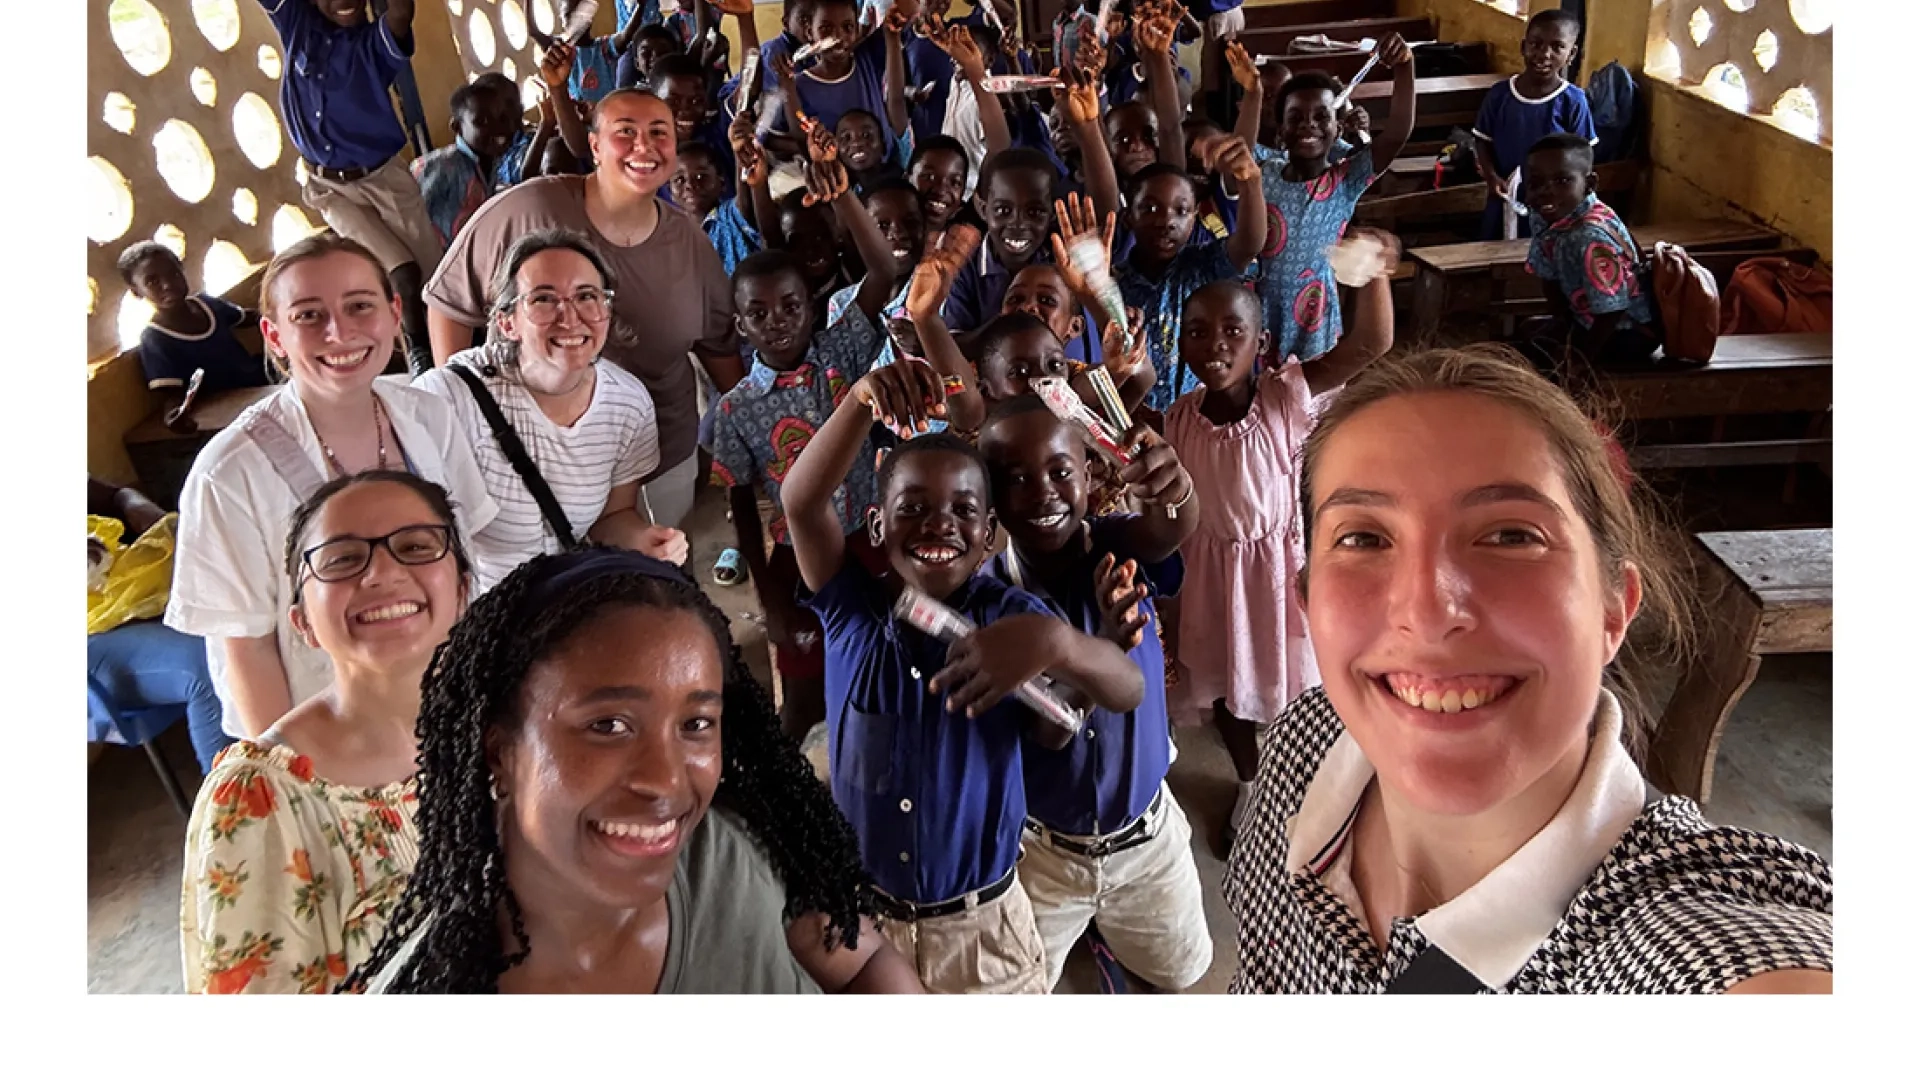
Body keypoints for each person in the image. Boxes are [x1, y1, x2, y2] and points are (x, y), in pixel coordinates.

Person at [1226, 346, 1834, 994]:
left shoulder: (1688, 949)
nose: (1429, 614)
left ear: (1613, 609)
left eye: (1511, 535)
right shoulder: (1305, 741)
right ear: (1307, 601)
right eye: (1364, 538)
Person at [340, 547, 926, 994]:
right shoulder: (433, 990)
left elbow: (862, 963)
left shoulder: (735, 854)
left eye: (696, 724)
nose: (668, 782)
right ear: (500, 750)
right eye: (608, 726)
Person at [779, 355, 1144, 994]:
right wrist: (861, 401)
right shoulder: (852, 616)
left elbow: (1124, 690)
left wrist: (1062, 644)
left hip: (986, 933)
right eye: (912, 508)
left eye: (963, 510)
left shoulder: (1016, 619)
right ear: (877, 524)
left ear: (989, 536)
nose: (938, 523)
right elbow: (801, 503)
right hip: (862, 926)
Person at [166, 234, 498, 739]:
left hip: (450, 705)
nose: (339, 332)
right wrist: (298, 780)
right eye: (307, 315)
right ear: (274, 336)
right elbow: (248, 648)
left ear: (392, 313)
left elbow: (466, 564)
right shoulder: (230, 474)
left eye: (359, 306)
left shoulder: (428, 414)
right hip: (329, 728)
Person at [180, 472, 472, 992]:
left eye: (415, 546)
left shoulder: (512, 733)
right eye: (341, 559)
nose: (382, 571)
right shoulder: (261, 801)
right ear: (303, 624)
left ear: (464, 592)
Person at [1164, 248, 1397, 853]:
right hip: (1211, 581)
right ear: (1180, 342)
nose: (1215, 345)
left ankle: (1320, 787)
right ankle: (1250, 784)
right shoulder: (1177, 419)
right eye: (1197, 331)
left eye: (1233, 331)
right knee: (1224, 689)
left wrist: (1372, 271)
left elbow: (1369, 344)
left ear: (1261, 342)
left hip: (1281, 575)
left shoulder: (1283, 398)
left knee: (1304, 687)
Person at [425, 89, 744, 531]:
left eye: (658, 133)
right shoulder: (529, 210)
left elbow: (718, 346)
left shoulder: (689, 241)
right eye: (624, 133)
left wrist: (757, 418)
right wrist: (465, 410)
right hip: (534, 460)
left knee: (660, 567)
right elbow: (449, 304)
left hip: (660, 452)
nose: (643, 147)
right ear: (594, 145)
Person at [978, 398, 1214, 993]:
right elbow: (1049, 730)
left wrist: (1176, 486)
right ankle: (1096, 939)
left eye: (1061, 470)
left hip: (1147, 835)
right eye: (1015, 478)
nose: (1043, 493)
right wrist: (1097, 648)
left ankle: (1109, 941)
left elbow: (1173, 525)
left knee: (1180, 973)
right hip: (1044, 853)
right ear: (989, 499)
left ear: (1090, 473)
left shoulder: (1119, 550)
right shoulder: (987, 607)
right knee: (1025, 989)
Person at [710, 157, 901, 740]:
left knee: (887, 661)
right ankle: (790, 797)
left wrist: (846, 198)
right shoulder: (736, 408)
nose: (777, 323)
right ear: (741, 326)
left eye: (791, 307)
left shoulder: (841, 351)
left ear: (814, 307)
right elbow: (741, 501)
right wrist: (769, 599)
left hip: (872, 536)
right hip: (797, 557)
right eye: (758, 314)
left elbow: (885, 271)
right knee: (801, 690)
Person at [414, 230, 689, 586]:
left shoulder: (627, 403)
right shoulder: (450, 397)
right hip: (476, 613)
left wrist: (646, 542)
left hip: (565, 602)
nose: (570, 317)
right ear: (507, 322)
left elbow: (613, 516)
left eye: (587, 296)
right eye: (544, 299)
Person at [256, 0, 443, 375]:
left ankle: (453, 353)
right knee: (402, 275)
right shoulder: (297, 24)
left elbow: (401, 15)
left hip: (384, 180)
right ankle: (421, 363)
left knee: (433, 281)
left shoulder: (375, 44)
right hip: (330, 188)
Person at [1255, 35, 1415, 367]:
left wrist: (1404, 67)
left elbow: (1397, 133)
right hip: (1262, 303)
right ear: (1281, 131)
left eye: (1320, 116)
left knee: (1313, 394)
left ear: (1337, 128)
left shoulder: (1345, 179)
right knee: (1263, 393)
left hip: (1314, 313)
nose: (1308, 124)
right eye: (1296, 117)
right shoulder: (1264, 172)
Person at [88, 476, 234, 773]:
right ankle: (229, 808)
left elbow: (115, 495)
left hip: (117, 605)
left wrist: (133, 503)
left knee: (244, 615)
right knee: (208, 662)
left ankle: (290, 772)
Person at [1110, 139, 1267, 412]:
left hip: (1199, 419)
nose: (1166, 221)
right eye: (1149, 208)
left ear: (1194, 217)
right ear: (1128, 217)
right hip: (1137, 419)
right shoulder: (1116, 282)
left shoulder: (1203, 265)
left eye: (1181, 211)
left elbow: (1248, 244)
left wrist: (1250, 184)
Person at [1521, 133, 1662, 373]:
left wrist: (1580, 357)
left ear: (1589, 184)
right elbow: (1549, 276)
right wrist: (1563, 326)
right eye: (1536, 183)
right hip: (1587, 316)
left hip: (1627, 330)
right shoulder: (1547, 216)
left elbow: (1613, 309)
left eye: (1562, 180)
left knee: (1548, 366)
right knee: (1530, 335)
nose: (1546, 191)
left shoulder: (1590, 237)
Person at [1472, 7, 1597, 241]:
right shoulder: (1500, 95)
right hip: (1504, 195)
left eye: (1557, 47)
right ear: (1523, 46)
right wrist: (1491, 177)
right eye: (1536, 44)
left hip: (1552, 202)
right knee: (1497, 248)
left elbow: (1583, 156)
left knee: (1547, 250)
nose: (1544, 54)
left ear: (1571, 54)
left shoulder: (1573, 101)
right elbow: (1482, 139)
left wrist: (1565, 191)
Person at [118, 242, 272, 430]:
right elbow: (173, 394)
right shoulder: (156, 339)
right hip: (230, 408)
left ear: (182, 269)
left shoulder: (207, 304)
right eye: (152, 281)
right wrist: (173, 415)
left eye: (173, 273)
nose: (167, 285)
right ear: (136, 291)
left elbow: (251, 318)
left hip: (262, 380)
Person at [409, 74, 539, 248]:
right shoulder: (443, 166)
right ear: (457, 127)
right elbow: (417, 227)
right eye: (482, 121)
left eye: (501, 118)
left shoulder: (488, 163)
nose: (496, 127)